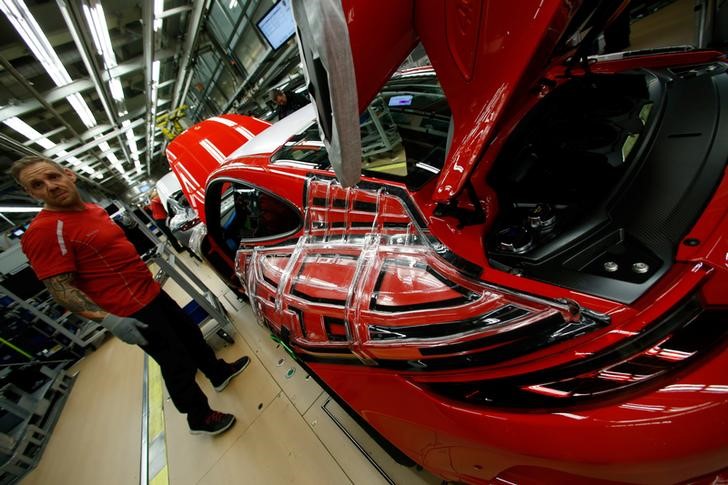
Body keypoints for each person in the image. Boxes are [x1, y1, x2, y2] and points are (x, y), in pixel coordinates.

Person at [11, 156, 249, 436]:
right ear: (32, 194)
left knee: (190, 335)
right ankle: (198, 417)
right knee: (176, 363)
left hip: (150, 292)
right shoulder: (44, 231)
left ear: (68, 174)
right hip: (131, 310)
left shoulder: (91, 210)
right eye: (37, 185)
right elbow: (60, 289)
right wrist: (109, 320)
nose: (50, 186)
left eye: (53, 176)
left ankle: (217, 372)